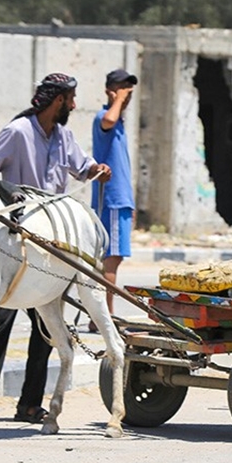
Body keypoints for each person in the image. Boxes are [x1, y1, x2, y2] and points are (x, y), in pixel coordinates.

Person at [0, 73, 111, 423]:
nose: (75, 106)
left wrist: (98, 169)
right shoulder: (18, 132)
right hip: (16, 241)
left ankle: (29, 404)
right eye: (71, 99)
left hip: (52, 245)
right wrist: (4, 192)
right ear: (57, 100)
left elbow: (82, 167)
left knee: (46, 330)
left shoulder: (63, 136)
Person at [91, 68, 138, 321]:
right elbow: (107, 121)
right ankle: (104, 314)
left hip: (120, 199)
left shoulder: (119, 122)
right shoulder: (105, 117)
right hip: (110, 198)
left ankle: (100, 312)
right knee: (110, 258)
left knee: (111, 259)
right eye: (122, 89)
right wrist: (117, 99)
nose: (127, 95)